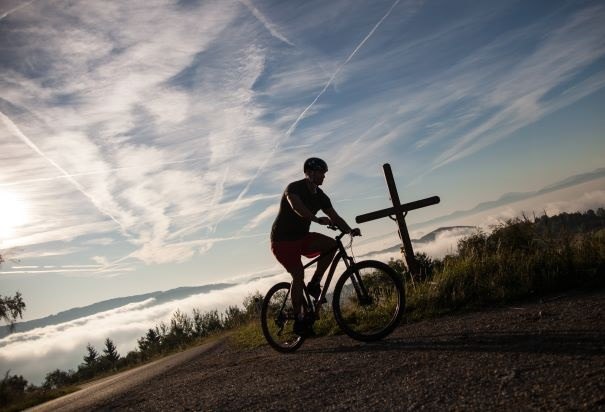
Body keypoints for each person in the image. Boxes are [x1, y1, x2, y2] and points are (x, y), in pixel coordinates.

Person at [270, 157, 361, 336]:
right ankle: (299, 320)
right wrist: (316, 219)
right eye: (321, 173)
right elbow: (297, 208)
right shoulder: (294, 188)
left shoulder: (321, 196)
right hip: (282, 241)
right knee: (298, 274)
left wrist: (349, 230)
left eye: (324, 173)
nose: (324, 177)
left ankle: (314, 284)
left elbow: (335, 217)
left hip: (302, 238)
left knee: (331, 245)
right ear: (310, 173)